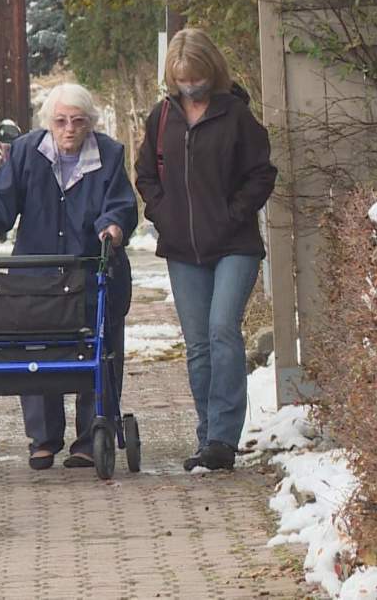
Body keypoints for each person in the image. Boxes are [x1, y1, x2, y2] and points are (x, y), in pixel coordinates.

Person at [0, 83, 137, 470]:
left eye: (78, 121)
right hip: (39, 272)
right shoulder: (28, 151)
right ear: (48, 124)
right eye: (60, 121)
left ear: (90, 123)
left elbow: (121, 203)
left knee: (99, 349)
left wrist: (112, 226)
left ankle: (91, 435)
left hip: (91, 270)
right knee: (37, 350)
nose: (69, 129)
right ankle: (43, 438)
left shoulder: (109, 154)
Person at [134, 28, 277, 471]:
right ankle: (206, 432)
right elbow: (145, 176)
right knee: (197, 344)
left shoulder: (236, 115)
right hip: (183, 248)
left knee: (221, 329)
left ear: (210, 72)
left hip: (234, 243)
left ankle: (223, 437)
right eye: (180, 80)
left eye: (195, 78)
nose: (189, 87)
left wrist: (234, 212)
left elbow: (262, 174)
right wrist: (164, 213)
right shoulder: (161, 118)